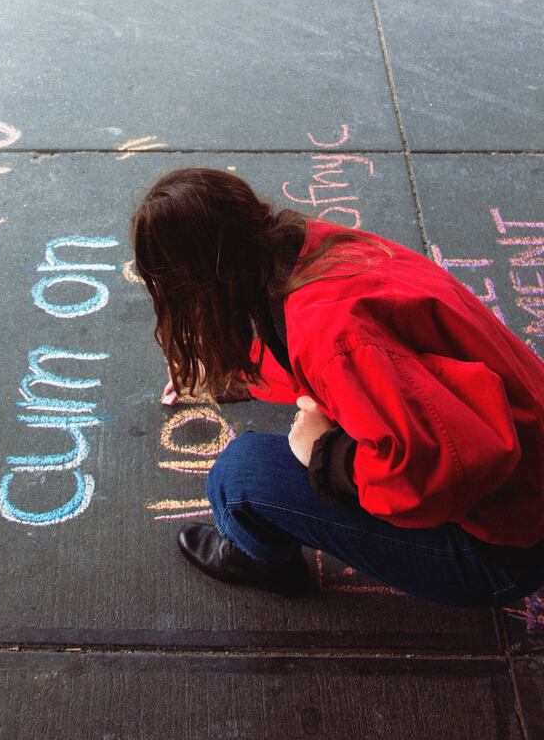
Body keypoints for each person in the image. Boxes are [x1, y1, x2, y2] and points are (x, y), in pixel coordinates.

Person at [130, 167, 544, 607]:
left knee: (240, 477)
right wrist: (234, 372)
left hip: (502, 552)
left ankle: (261, 560)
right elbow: (317, 353)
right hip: (527, 482)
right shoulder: (318, 251)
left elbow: (439, 472)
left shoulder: (334, 339)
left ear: (201, 284)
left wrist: (328, 456)